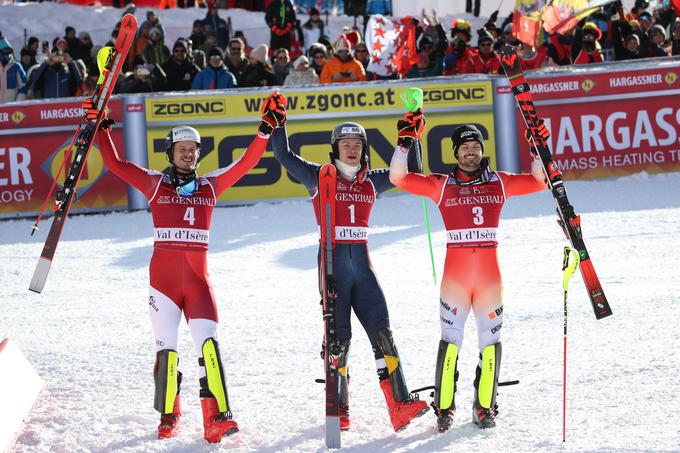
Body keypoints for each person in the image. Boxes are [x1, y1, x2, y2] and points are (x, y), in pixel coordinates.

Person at [81, 90, 285, 443]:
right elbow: (115, 165)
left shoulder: (211, 185)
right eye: (182, 149)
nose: (188, 154)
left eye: (193, 149)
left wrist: (265, 129)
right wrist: (101, 128)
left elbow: (247, 163)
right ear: (171, 153)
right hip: (163, 285)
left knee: (209, 346)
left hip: (198, 284)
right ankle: (168, 413)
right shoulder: (154, 183)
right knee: (167, 351)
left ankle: (216, 418)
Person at [269, 93, 429, 433]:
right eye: (346, 143)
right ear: (335, 147)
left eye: (358, 143)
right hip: (333, 263)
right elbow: (283, 155)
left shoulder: (373, 179)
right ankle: (337, 408)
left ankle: (399, 404)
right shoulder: (318, 176)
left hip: (363, 265)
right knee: (338, 340)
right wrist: (278, 121)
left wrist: (413, 130)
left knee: (383, 333)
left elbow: (411, 172)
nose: (352, 148)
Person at [389, 111, 548, 432]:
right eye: (465, 147)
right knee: (450, 341)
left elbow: (540, 180)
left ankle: (484, 407)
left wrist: (538, 145)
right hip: (456, 281)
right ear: (456, 152)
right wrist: (406, 141)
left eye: (475, 145)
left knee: (492, 342)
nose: (471, 151)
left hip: (490, 280)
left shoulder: (499, 182)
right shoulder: (442, 185)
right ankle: (444, 409)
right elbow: (398, 177)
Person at [0, 37, 28, 103]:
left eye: (8, 52)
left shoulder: (16, 66)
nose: (6, 55)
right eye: (3, 52)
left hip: (12, 108)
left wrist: (17, 103)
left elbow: (23, 87)